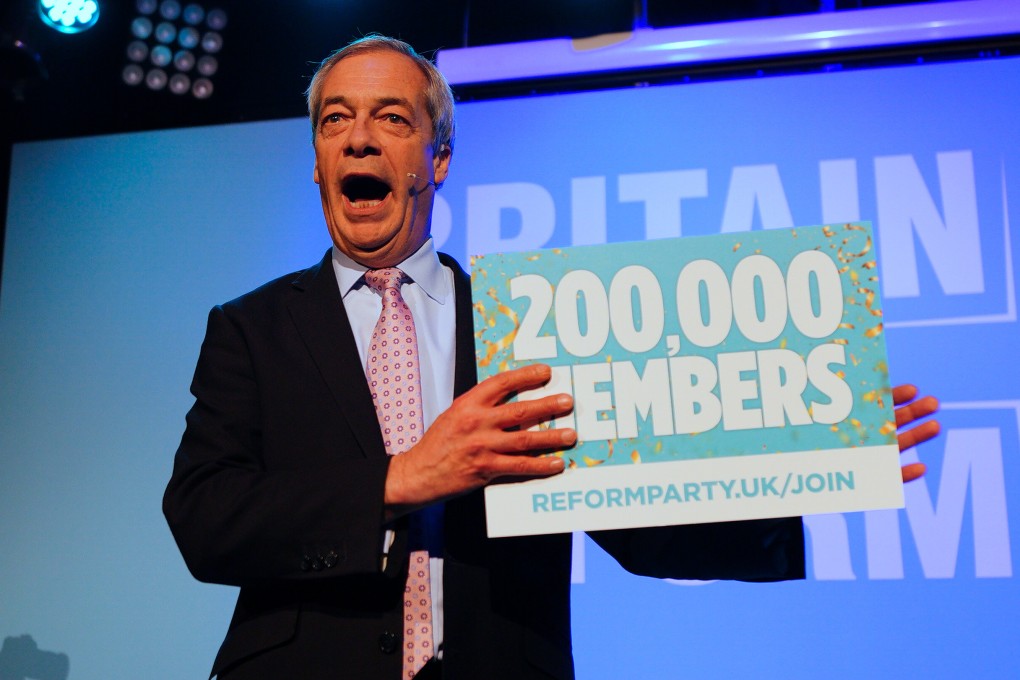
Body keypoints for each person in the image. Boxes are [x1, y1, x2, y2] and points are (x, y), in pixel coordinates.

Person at [163, 35, 940, 680]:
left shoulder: (532, 327)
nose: (358, 136)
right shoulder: (251, 329)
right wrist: (402, 479)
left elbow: (643, 527)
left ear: (436, 160)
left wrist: (814, 460)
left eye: (392, 118)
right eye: (336, 120)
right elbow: (207, 518)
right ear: (317, 159)